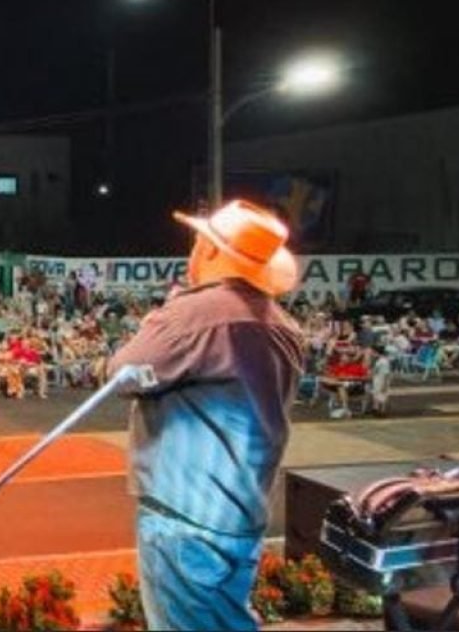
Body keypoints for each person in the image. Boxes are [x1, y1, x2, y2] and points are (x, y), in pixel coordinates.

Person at [106, 200, 304, 631]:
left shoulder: (194, 312)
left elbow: (120, 374)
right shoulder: (284, 325)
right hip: (242, 512)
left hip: (186, 515)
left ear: (211, 250)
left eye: (199, 241)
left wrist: (164, 316)